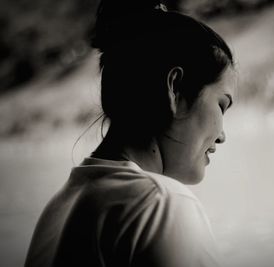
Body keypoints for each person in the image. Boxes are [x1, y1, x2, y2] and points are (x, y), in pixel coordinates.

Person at [25, 0, 236, 266]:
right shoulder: (161, 203)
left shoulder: (58, 209)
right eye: (221, 105)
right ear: (175, 89)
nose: (222, 135)